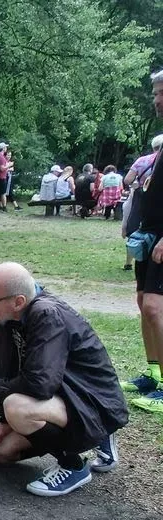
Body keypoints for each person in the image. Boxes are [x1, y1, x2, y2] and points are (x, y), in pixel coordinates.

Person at [0, 263, 127, 497]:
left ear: (19, 301)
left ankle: (74, 465)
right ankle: (81, 439)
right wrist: (4, 420)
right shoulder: (2, 316)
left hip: (90, 402)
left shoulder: (47, 314)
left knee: (17, 407)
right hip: (57, 397)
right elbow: (5, 371)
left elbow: (40, 384)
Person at [119, 70, 163, 410]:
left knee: (155, 307)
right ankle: (153, 375)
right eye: (156, 95)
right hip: (147, 234)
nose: (158, 101)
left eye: (162, 94)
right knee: (142, 304)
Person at [121, 134, 163, 270]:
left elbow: (127, 180)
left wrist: (137, 184)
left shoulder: (142, 160)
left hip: (142, 199)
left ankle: (130, 260)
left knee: (136, 230)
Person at [0, 143, 13, 210]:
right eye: (5, 147)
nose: (6, 148)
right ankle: (4, 207)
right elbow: (2, 168)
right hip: (1, 178)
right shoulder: (1, 157)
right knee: (3, 193)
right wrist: (9, 165)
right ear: (3, 148)